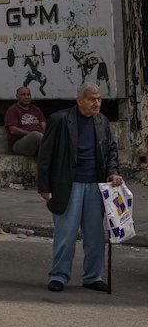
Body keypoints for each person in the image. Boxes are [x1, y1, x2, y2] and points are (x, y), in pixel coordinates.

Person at [37, 82, 123, 292]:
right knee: (65, 234)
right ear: (79, 100)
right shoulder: (60, 120)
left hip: (96, 185)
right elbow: (45, 155)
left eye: (99, 99)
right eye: (92, 99)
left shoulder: (101, 121)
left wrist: (113, 171)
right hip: (68, 185)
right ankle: (58, 276)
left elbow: (111, 150)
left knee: (95, 235)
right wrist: (44, 186)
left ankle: (93, 277)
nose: (97, 103)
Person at [4, 86, 46, 157]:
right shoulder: (13, 110)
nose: (26, 97)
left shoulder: (36, 109)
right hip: (19, 144)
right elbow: (13, 130)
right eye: (23, 95)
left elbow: (44, 126)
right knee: (35, 135)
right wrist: (30, 134)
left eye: (28, 94)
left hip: (38, 141)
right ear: (17, 96)